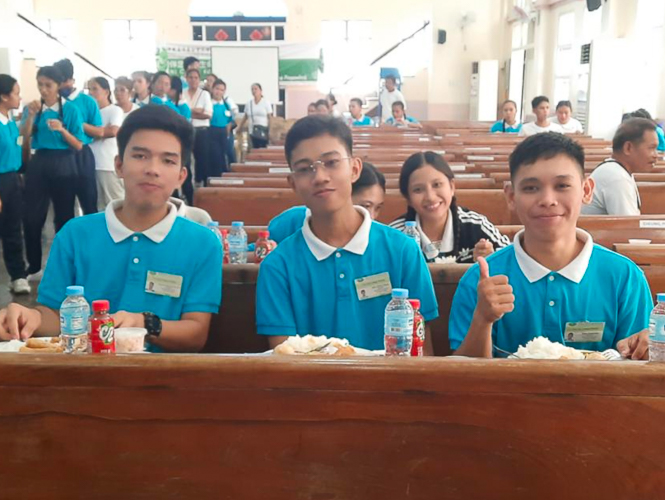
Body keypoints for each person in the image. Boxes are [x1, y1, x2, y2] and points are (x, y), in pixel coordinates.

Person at [0, 105, 223, 353]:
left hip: (164, 381)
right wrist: (30, 318)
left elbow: (196, 333)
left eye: (168, 160)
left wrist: (144, 323)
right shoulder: (75, 235)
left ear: (182, 176)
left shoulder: (202, 243)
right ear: (118, 165)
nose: (152, 169)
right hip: (84, 378)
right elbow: (54, 314)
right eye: (140, 156)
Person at [448, 132, 653, 359]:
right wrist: (482, 319)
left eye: (562, 185)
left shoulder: (624, 277)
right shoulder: (481, 280)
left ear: (586, 191)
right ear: (511, 196)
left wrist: (644, 348)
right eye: (530, 188)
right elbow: (465, 379)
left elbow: (638, 368)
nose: (547, 199)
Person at [255, 115, 438, 352]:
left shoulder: (402, 251)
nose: (320, 177)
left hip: (390, 388)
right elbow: (285, 360)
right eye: (304, 169)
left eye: (331, 162)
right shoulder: (278, 267)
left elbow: (422, 353)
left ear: (354, 169)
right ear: (292, 183)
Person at [20, 66, 84, 281]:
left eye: (48, 85)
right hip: (39, 162)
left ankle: (64, 266)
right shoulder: (33, 109)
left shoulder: (71, 110)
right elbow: (24, 137)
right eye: (40, 85)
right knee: (31, 218)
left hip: (64, 163)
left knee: (64, 217)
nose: (44, 89)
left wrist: (62, 130)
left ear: (58, 86)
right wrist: (30, 117)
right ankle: (34, 266)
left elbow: (78, 145)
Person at [390, 151, 509, 264]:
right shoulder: (394, 235)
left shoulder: (476, 224)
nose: (430, 197)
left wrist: (494, 258)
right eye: (418, 190)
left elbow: (511, 257)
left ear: (452, 187)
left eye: (437, 185)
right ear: (408, 198)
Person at [268, 161, 386, 244]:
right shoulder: (295, 219)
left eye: (378, 208)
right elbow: (254, 250)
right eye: (365, 206)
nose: (372, 216)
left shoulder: (380, 238)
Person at [582, 118, 659, 216]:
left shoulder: (616, 170)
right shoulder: (617, 178)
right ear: (628, 148)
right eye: (651, 148)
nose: (656, 155)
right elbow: (629, 228)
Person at [54, 58, 102, 216]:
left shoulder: (88, 102)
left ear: (70, 80)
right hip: (60, 155)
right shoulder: (53, 103)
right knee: (63, 206)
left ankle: (91, 239)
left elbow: (99, 131)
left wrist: (76, 124)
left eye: (59, 82)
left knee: (88, 202)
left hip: (81, 155)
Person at [0, 74, 30, 294]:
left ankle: (18, 276)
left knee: (12, 229)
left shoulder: (9, 123)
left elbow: (18, 146)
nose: (19, 97)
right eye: (16, 93)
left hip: (12, 180)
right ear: (3, 96)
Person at [87, 77, 124, 210]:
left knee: (114, 204)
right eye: (89, 89)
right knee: (97, 207)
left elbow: (113, 131)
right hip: (91, 164)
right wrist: (98, 132)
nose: (91, 92)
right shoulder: (89, 113)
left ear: (106, 92)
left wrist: (92, 131)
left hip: (107, 165)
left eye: (95, 89)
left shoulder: (114, 110)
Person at [183, 68, 213, 186]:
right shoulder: (182, 93)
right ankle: (187, 188)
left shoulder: (204, 94)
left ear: (199, 80)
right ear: (186, 79)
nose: (193, 80)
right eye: (190, 77)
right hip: (186, 130)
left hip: (201, 131)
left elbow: (208, 115)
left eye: (196, 78)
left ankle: (202, 184)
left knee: (202, 160)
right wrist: (197, 111)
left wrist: (189, 112)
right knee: (186, 160)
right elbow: (179, 113)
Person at [208, 79, 233, 178]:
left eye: (222, 90)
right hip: (212, 131)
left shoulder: (226, 105)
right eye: (217, 89)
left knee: (224, 157)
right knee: (215, 157)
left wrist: (227, 133)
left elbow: (229, 120)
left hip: (224, 133)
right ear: (212, 89)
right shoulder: (209, 104)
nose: (219, 92)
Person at [239, 83, 272, 149]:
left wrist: (270, 130)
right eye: (252, 89)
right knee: (253, 149)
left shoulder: (266, 102)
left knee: (263, 149)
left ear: (260, 91)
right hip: (252, 130)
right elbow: (245, 117)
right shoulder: (249, 103)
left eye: (256, 89)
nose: (254, 91)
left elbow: (270, 118)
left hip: (263, 130)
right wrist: (239, 127)